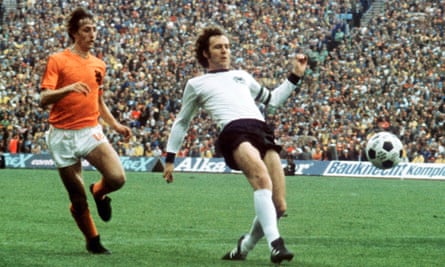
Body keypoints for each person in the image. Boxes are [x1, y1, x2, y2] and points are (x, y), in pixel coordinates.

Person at [162, 25, 307, 264]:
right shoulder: (196, 84)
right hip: (234, 131)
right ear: (206, 53)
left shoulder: (242, 77)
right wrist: (170, 159)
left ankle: (245, 246)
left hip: (261, 130)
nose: (224, 51)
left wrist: (295, 76)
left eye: (227, 46)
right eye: (218, 47)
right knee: (261, 179)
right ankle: (276, 245)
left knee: (279, 206)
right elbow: (181, 122)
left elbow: (274, 100)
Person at [40, 7, 131, 254]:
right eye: (86, 30)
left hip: (89, 130)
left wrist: (115, 124)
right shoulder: (57, 60)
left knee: (117, 178)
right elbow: (44, 98)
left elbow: (98, 101)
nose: (92, 34)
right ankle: (93, 240)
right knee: (77, 199)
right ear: (74, 33)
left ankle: (99, 192)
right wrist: (68, 88)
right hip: (61, 136)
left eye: (94, 30)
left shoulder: (99, 64)